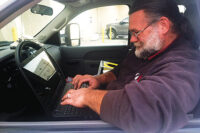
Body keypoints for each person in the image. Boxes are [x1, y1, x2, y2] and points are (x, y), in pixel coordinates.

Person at [61, 0, 200, 132]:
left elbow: (146, 112)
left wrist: (88, 96)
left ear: (163, 25)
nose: (132, 39)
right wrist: (99, 79)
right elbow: (121, 70)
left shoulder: (185, 64)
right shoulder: (150, 49)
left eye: (136, 32)